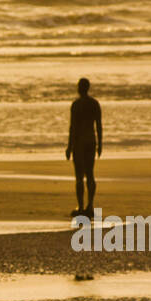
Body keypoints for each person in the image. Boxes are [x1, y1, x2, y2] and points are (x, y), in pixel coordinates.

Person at [65, 78, 102, 217]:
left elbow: (72, 127)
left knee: (80, 176)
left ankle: (81, 207)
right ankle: (90, 205)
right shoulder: (94, 103)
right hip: (91, 141)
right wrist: (100, 143)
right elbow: (98, 125)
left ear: (80, 88)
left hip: (79, 143)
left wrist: (69, 146)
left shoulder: (76, 105)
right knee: (90, 174)